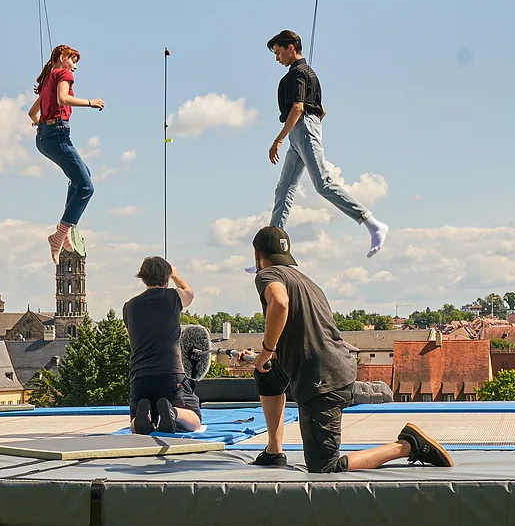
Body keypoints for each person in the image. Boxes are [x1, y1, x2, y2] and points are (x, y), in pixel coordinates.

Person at [248, 226, 450, 473]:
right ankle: (273, 451)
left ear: (257, 254)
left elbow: (279, 303)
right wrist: (269, 358)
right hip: (332, 366)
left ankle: (407, 445)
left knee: (324, 467)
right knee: (267, 372)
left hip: (320, 382)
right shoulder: (306, 282)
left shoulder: (267, 275)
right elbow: (309, 334)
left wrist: (267, 349)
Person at [265, 30, 388, 258]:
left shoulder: (299, 73)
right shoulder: (304, 73)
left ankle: (372, 223)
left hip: (301, 128)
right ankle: (272, 251)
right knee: (283, 190)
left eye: (278, 52)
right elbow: (322, 110)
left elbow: (298, 108)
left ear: (291, 48)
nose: (277, 58)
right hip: (300, 132)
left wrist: (279, 139)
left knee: (322, 183)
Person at [28, 44, 103, 261]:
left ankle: (68, 229)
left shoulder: (46, 82)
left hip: (45, 138)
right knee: (87, 186)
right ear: (62, 57)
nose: (75, 68)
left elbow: (32, 112)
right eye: (73, 61)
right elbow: (63, 99)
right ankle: (60, 234)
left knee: (81, 176)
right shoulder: (62, 73)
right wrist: (91, 103)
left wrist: (40, 125)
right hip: (58, 135)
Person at [123, 256, 203, 434]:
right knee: (195, 421)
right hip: (170, 375)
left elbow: (130, 334)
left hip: (140, 376)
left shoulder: (129, 306)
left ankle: (143, 418)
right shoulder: (173, 297)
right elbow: (189, 293)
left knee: (135, 426)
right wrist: (175, 276)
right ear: (166, 277)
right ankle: (172, 411)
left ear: (143, 278)